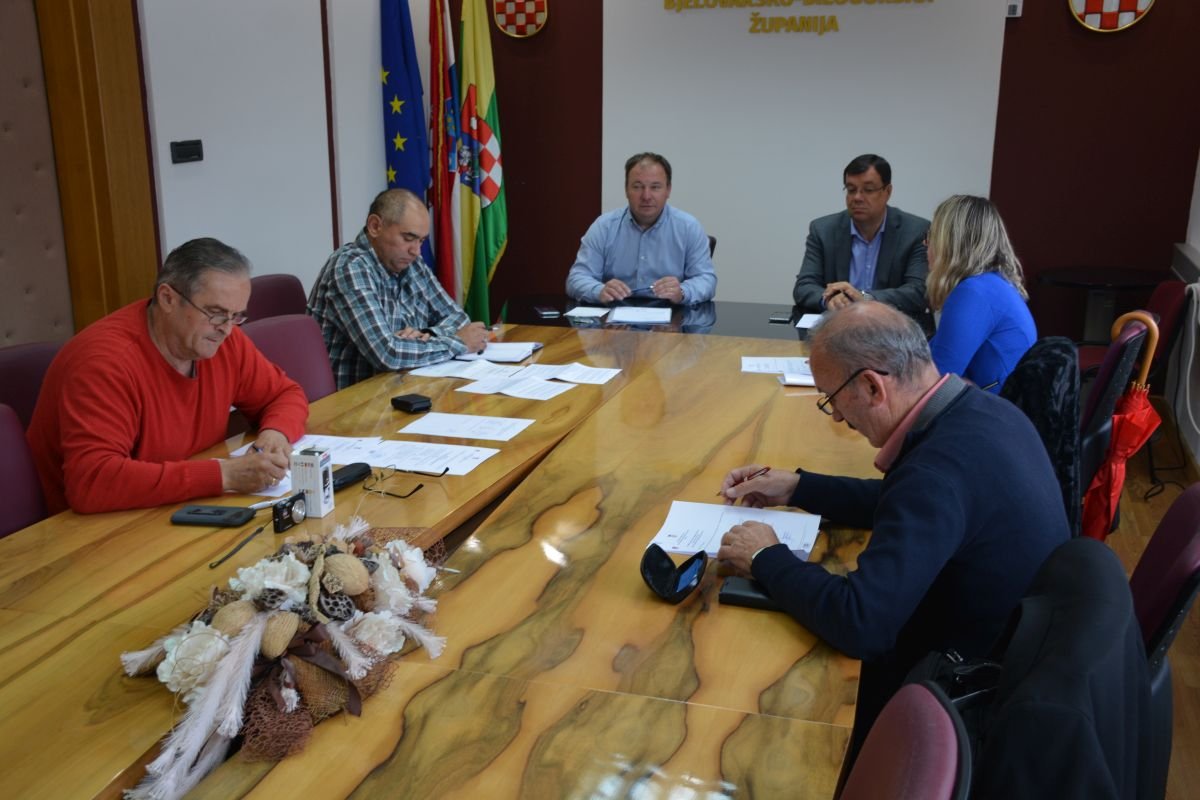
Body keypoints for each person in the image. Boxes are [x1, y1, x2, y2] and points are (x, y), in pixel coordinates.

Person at [716, 302, 1068, 773]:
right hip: (1024, 651)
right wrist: (799, 487)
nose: (836, 418)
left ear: (871, 386)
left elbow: (861, 623)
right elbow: (906, 502)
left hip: (964, 693)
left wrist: (765, 555)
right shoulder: (981, 413)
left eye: (831, 398)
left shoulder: (934, 475)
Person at [27, 238, 309, 515]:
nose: (226, 329)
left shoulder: (222, 341)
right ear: (168, 298)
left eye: (236, 316)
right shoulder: (105, 363)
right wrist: (223, 475)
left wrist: (276, 433)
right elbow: (92, 482)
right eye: (215, 313)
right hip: (96, 526)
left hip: (176, 506)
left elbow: (284, 394)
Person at [308, 189, 489, 389]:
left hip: (399, 387)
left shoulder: (412, 264)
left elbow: (457, 317)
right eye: (408, 238)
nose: (416, 251)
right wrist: (458, 343)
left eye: (421, 241)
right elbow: (387, 354)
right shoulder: (350, 267)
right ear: (375, 226)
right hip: (354, 398)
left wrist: (427, 334)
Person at [791, 154, 931, 329]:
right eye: (851, 189)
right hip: (839, 329)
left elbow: (919, 291)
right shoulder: (823, 230)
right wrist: (829, 299)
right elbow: (804, 286)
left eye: (868, 190)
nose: (857, 197)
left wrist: (865, 298)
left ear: (887, 192)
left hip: (892, 330)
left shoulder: (915, 231)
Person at [565, 152, 716, 305]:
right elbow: (577, 278)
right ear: (626, 190)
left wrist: (682, 292)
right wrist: (599, 290)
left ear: (668, 190)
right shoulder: (604, 227)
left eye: (655, 187)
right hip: (614, 315)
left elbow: (706, 280)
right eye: (637, 187)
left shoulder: (689, 227)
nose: (646, 196)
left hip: (672, 315)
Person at [925, 195, 1036, 393]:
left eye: (931, 235)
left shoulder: (974, 293)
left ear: (951, 244)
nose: (926, 243)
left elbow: (934, 381)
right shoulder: (992, 284)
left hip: (992, 408)